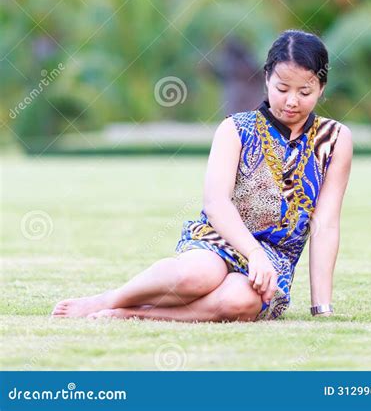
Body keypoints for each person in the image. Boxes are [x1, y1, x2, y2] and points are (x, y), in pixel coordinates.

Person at [52, 29, 352, 322]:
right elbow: (216, 203)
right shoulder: (235, 129)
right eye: (282, 89)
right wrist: (252, 252)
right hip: (218, 239)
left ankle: (131, 314)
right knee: (197, 275)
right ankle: (110, 299)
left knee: (241, 300)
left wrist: (321, 306)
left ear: (322, 87)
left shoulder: (336, 139)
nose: (291, 101)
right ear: (266, 79)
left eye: (305, 92)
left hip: (274, 259)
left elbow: (325, 224)